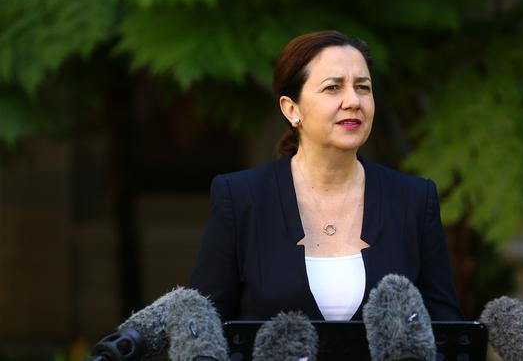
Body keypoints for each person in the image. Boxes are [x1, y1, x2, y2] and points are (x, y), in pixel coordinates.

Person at [189, 30, 463, 322]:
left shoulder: (414, 199)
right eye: (333, 88)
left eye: (363, 87)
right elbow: (201, 326)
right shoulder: (241, 198)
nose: (353, 101)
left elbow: (445, 328)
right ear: (292, 109)